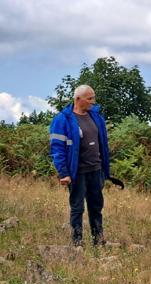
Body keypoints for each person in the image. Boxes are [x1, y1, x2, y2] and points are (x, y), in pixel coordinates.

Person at [49, 85, 111, 247]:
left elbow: (103, 144)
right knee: (77, 208)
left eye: (93, 97)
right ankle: (77, 243)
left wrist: (105, 169)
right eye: (89, 98)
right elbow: (57, 149)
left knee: (96, 207)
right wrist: (63, 173)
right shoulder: (62, 120)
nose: (93, 101)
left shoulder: (96, 117)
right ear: (78, 99)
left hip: (96, 170)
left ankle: (98, 241)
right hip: (78, 173)